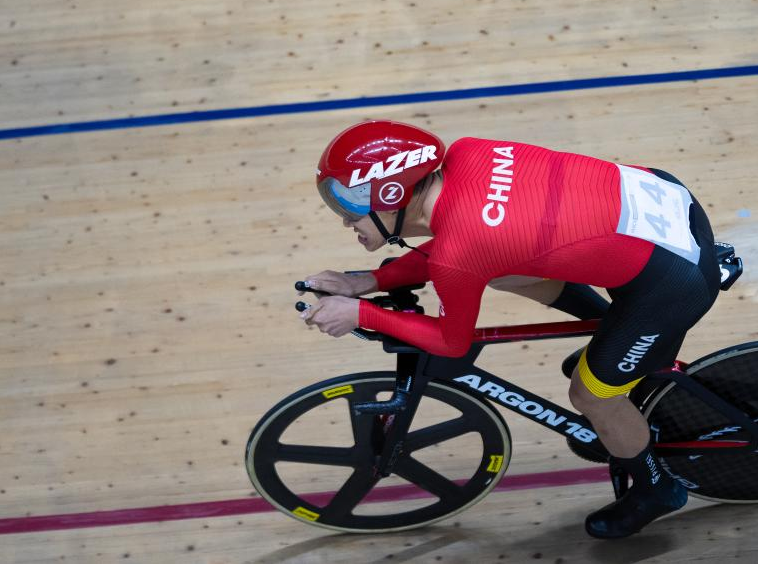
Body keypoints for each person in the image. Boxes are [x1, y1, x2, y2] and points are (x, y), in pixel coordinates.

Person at [300, 120, 722, 538]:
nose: (346, 220)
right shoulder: (467, 152)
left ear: (392, 195)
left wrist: (361, 313)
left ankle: (656, 489)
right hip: (666, 199)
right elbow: (468, 241)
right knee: (504, 268)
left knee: (590, 395)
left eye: (351, 204)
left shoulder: (459, 250)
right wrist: (370, 281)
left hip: (673, 284)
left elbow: (450, 341)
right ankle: (614, 336)